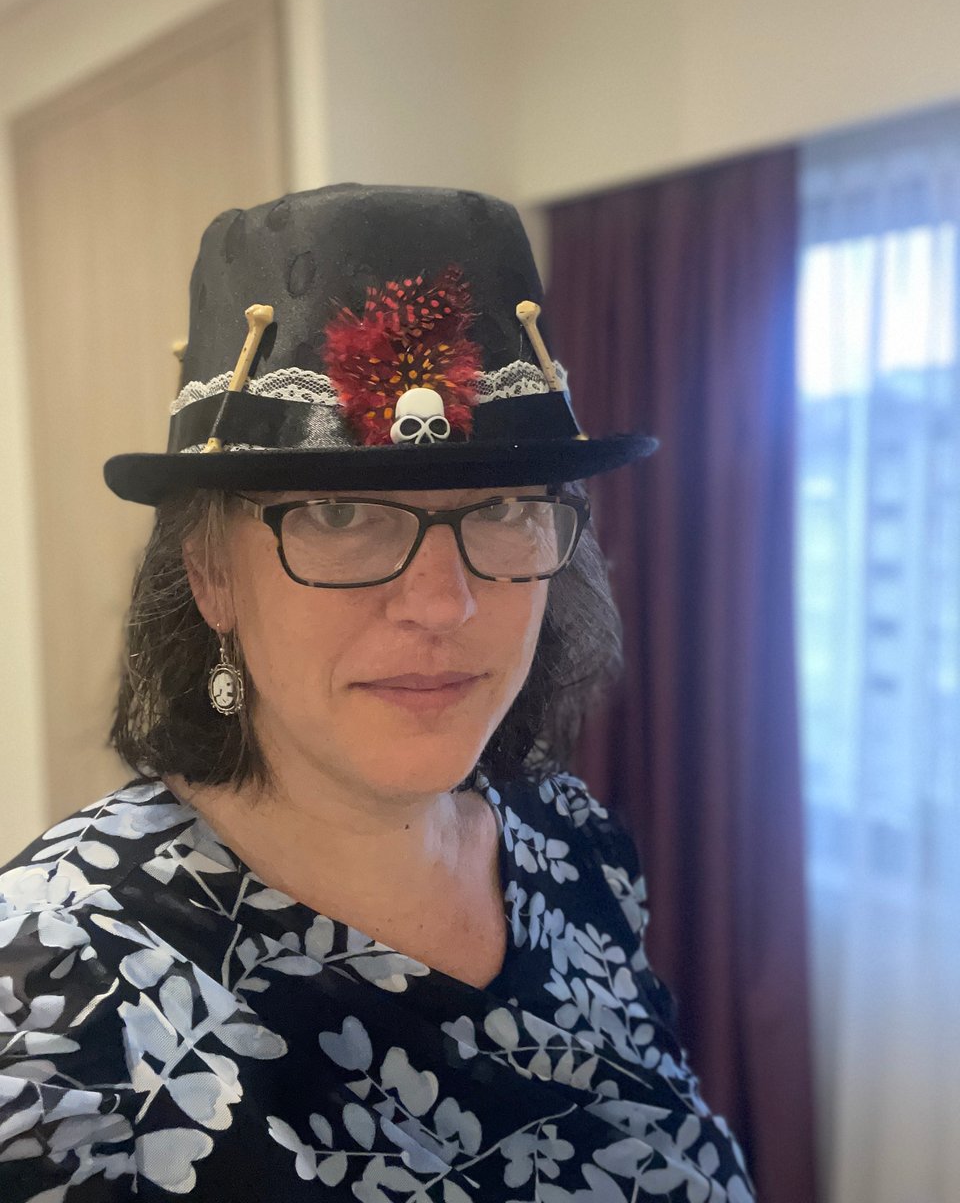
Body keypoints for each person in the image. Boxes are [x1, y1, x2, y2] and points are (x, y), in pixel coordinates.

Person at [0, 185, 755, 1200]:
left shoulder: (576, 849)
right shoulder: (57, 997)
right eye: (340, 510)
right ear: (211, 573)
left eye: (503, 506)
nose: (443, 601)